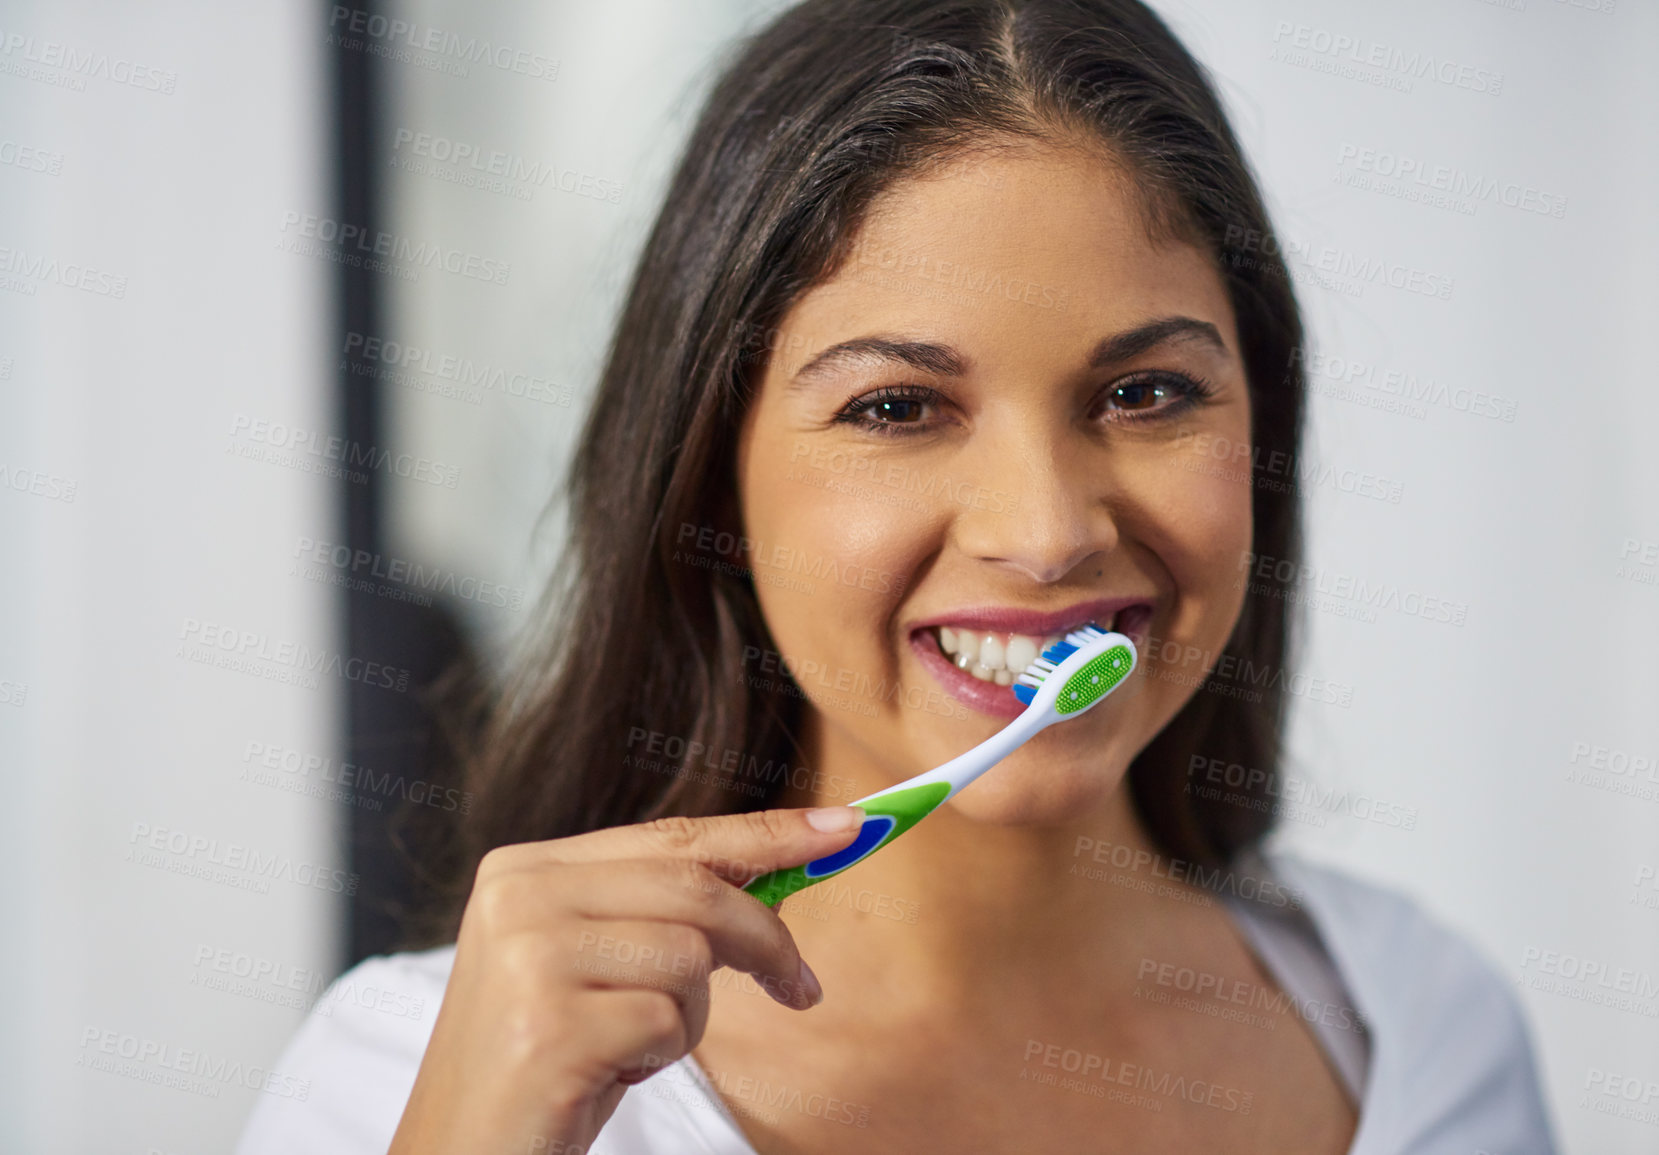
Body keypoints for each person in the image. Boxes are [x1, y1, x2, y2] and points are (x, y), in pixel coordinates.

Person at [238, 1, 1557, 1150]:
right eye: (897, 408)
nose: (1044, 534)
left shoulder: (1430, 1035)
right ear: (711, 476)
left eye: (1147, 392)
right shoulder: (418, 1080)